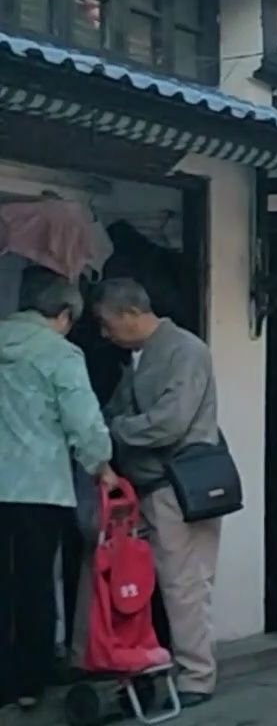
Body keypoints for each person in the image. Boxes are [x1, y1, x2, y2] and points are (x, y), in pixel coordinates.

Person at [93, 278, 223, 708]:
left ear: (130, 313)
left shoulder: (185, 350)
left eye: (107, 322)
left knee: (183, 583)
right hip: (150, 482)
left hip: (178, 482)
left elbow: (170, 422)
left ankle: (196, 676)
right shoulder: (141, 355)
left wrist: (117, 431)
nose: (104, 333)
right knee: (149, 582)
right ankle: (164, 667)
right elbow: (117, 410)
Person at [0, 275, 116, 711]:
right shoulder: (60, 353)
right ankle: (30, 680)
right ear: (64, 315)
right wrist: (100, 465)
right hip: (38, 487)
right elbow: (82, 420)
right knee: (34, 582)